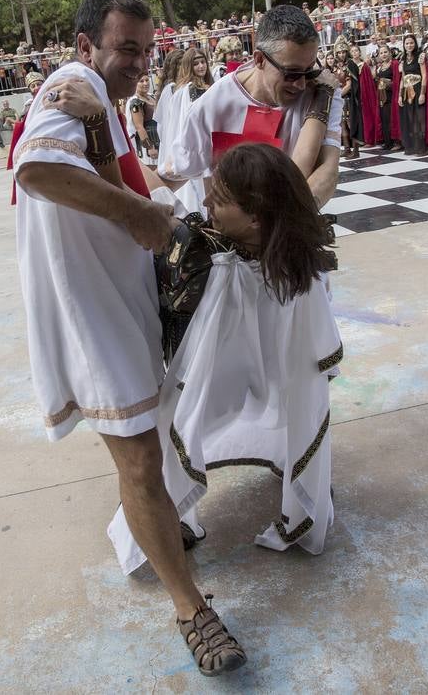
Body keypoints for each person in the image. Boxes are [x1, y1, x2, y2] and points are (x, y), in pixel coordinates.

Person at [13, 0, 246, 678]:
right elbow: (37, 168)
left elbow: (108, 176)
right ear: (86, 46)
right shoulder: (71, 82)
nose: (140, 63)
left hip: (119, 307)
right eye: (126, 49)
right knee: (140, 460)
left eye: (147, 51)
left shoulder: (100, 104)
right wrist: (139, 215)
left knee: (149, 446)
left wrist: (151, 196)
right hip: (93, 320)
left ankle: (157, 529)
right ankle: (191, 610)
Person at [108, 142, 341, 573]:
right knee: (177, 421)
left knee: (288, 406)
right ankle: (173, 511)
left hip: (271, 370)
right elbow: (149, 195)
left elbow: (310, 364)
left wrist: (330, 147)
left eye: (220, 198)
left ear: (257, 216)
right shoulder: (215, 249)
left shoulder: (295, 272)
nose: (207, 203)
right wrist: (106, 139)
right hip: (219, 372)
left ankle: (303, 485)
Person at [159, 5, 341, 209]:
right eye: (291, 73)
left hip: (294, 223)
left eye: (310, 71)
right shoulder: (211, 105)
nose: (301, 84)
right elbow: (175, 171)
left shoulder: (323, 90)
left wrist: (290, 219)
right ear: (260, 59)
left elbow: (328, 170)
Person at [156, 48, 214, 213]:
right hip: (196, 145)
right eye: (196, 63)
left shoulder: (210, 87)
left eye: (203, 62)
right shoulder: (187, 90)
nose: (201, 66)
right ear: (189, 66)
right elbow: (184, 121)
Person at [397, 34, 428, 156]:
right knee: (411, 119)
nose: (409, 45)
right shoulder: (403, 59)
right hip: (407, 91)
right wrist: (400, 95)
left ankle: (423, 147)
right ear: (404, 45)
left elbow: (424, 76)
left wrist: (422, 93)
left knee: (420, 119)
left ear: (415, 44)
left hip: (418, 88)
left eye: (411, 43)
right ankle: (414, 145)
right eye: (407, 43)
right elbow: (403, 78)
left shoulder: (420, 56)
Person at [335, 36, 363, 158]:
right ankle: (347, 148)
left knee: (351, 123)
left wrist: (337, 95)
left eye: (343, 52)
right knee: (342, 125)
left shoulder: (350, 64)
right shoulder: (337, 66)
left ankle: (356, 151)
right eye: (339, 52)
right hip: (340, 99)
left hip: (349, 99)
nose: (341, 54)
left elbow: (350, 85)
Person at [126, 74, 160, 168]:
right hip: (148, 145)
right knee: (153, 172)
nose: (145, 83)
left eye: (147, 80)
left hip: (160, 141)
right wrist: (150, 147)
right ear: (135, 83)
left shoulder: (151, 97)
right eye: (141, 81)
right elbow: (139, 127)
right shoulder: (135, 102)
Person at [350, 43, 381, 146]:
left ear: (359, 52)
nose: (354, 53)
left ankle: (369, 139)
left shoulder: (364, 65)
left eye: (356, 51)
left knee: (367, 115)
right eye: (352, 51)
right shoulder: (350, 66)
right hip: (354, 94)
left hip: (364, 94)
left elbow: (368, 82)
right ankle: (360, 139)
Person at [374, 43, 399, 149]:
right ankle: (387, 142)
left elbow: (397, 80)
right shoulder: (379, 67)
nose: (383, 54)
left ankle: (397, 142)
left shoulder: (394, 64)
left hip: (392, 96)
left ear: (389, 53)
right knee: (384, 119)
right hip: (382, 97)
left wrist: (388, 83)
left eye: (385, 52)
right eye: (381, 53)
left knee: (393, 119)